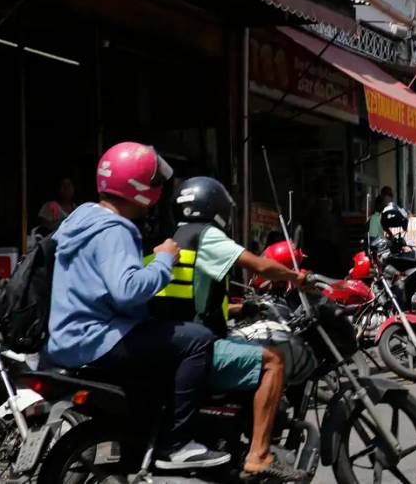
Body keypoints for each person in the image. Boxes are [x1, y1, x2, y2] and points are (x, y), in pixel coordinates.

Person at [46, 142, 229, 470]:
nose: (157, 190)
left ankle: (139, 442)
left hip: (68, 339)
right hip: (98, 339)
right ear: (138, 187)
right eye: (153, 182)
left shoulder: (79, 220)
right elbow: (128, 290)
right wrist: (164, 260)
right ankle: (178, 445)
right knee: (197, 340)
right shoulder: (115, 229)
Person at [151, 176, 314, 479]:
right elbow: (259, 265)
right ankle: (259, 455)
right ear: (214, 206)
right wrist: (298, 278)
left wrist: (241, 308)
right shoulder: (207, 235)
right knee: (273, 361)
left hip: (173, 341)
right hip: (198, 347)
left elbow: (191, 298)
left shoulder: (173, 237)